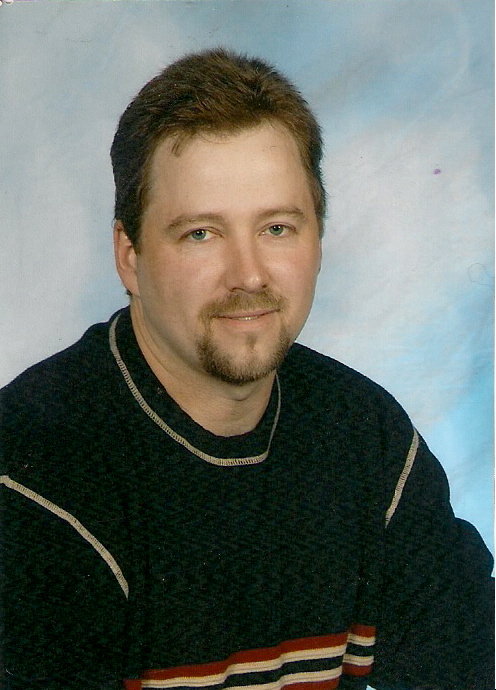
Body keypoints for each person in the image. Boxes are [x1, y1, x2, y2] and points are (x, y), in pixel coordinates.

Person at [0, 48, 493, 690]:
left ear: (319, 238)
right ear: (130, 256)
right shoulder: (36, 477)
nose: (249, 275)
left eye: (277, 228)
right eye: (201, 233)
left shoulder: (364, 438)